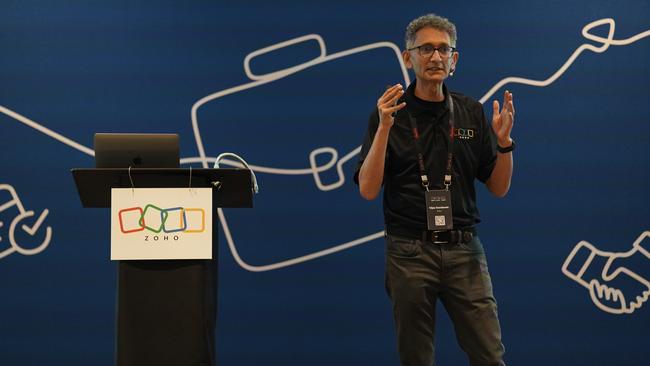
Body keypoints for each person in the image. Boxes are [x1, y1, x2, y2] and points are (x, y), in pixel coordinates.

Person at [354, 13, 515, 366]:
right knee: (417, 359)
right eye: (425, 48)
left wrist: (503, 144)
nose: (436, 57)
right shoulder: (388, 114)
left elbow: (499, 187)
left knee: (490, 355)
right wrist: (383, 128)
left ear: (454, 59)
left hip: (465, 251)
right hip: (409, 252)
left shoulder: (471, 111)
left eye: (444, 49)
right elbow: (367, 189)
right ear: (407, 57)